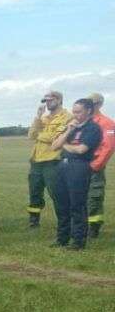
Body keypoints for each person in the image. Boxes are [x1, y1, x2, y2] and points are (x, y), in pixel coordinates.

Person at [51, 98, 103, 250]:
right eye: (74, 111)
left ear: (88, 111)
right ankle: (62, 238)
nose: (75, 114)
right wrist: (68, 130)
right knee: (61, 204)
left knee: (77, 205)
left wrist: (64, 144)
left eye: (78, 112)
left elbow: (81, 150)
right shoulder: (71, 126)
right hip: (62, 165)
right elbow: (54, 146)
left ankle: (78, 241)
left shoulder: (93, 128)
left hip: (79, 166)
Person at [26, 90, 70, 228]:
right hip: (36, 160)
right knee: (34, 192)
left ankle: (64, 223)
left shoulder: (67, 117)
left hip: (53, 161)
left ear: (59, 100)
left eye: (50, 100)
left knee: (57, 193)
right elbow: (31, 135)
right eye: (45, 100)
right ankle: (34, 221)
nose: (47, 103)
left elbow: (56, 138)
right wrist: (38, 116)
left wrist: (39, 135)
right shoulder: (43, 118)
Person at [86, 93, 115, 237]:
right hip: (78, 164)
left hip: (94, 164)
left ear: (100, 104)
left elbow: (108, 147)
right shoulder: (81, 120)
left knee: (94, 196)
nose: (90, 106)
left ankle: (94, 227)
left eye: (93, 104)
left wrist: (95, 165)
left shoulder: (107, 123)